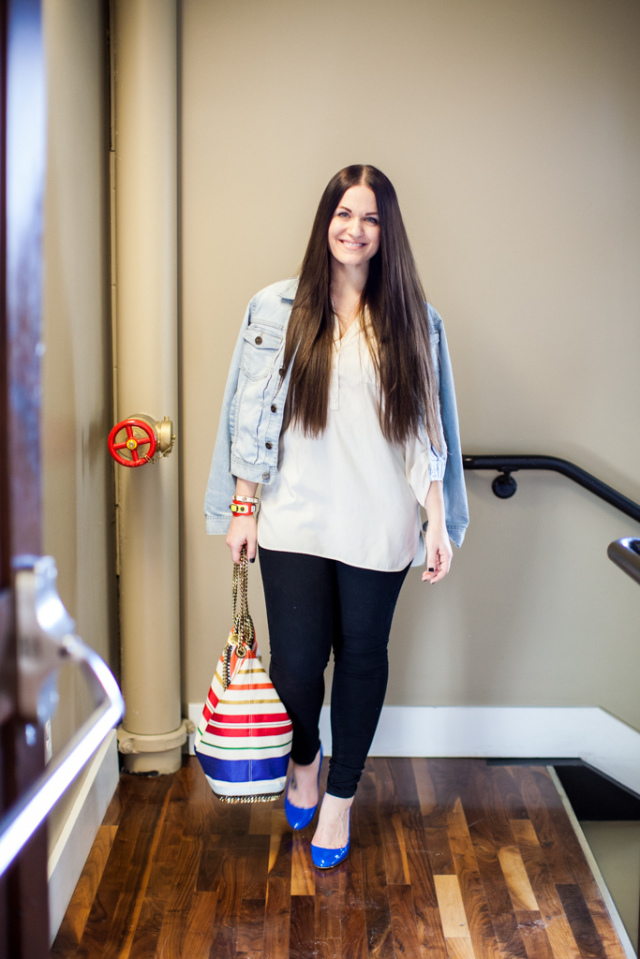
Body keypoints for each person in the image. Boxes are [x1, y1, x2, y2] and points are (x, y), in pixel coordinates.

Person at [205, 164, 468, 868]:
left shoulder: (414, 318)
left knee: (361, 658)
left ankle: (341, 798)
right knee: (295, 665)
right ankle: (304, 756)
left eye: (372, 218)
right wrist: (241, 509)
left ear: (387, 233)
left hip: (379, 522)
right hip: (292, 518)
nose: (356, 228)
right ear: (326, 220)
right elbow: (246, 418)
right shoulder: (275, 307)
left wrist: (437, 521)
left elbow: (425, 435)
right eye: (345, 213)